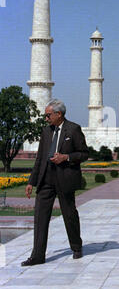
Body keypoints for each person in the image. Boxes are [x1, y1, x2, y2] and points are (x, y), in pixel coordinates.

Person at [21, 99, 89, 266]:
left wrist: (66, 157)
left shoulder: (73, 129)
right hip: (46, 179)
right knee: (40, 217)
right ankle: (37, 255)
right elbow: (40, 158)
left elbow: (84, 154)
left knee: (69, 214)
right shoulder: (46, 132)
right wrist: (31, 181)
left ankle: (76, 247)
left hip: (65, 178)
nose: (46, 118)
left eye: (48, 115)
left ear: (59, 114)